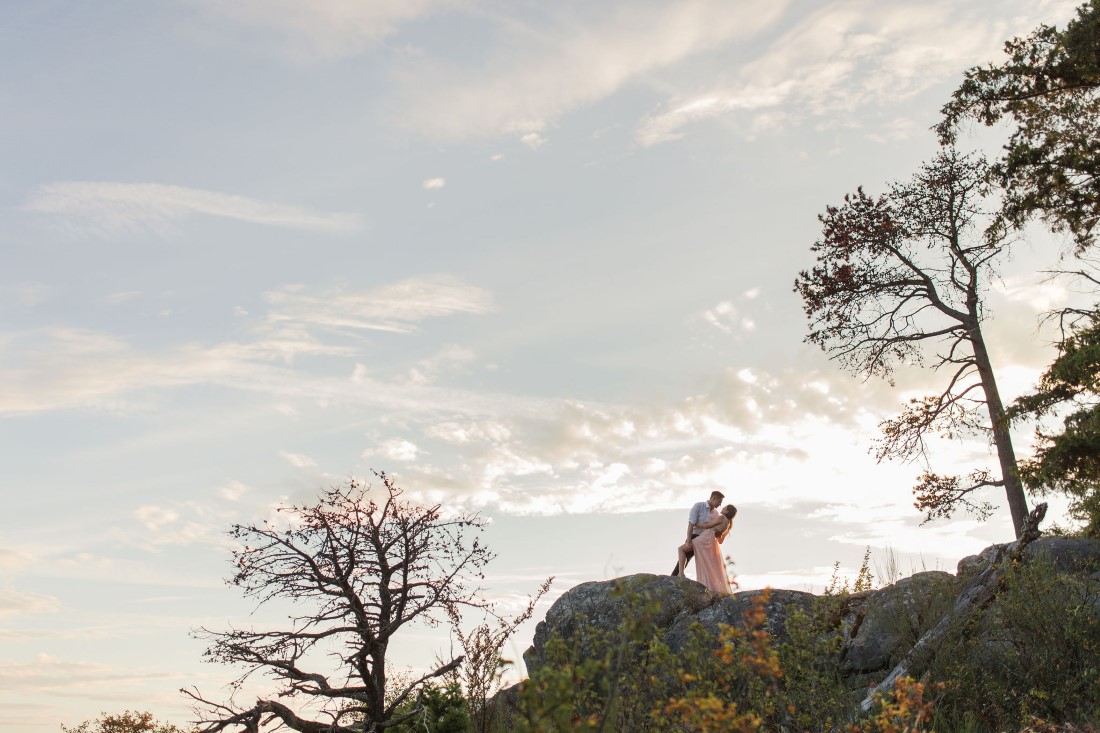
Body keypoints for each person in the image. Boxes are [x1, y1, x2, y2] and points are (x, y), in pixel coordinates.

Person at [672, 490, 724, 576]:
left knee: (706, 563)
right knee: (685, 558)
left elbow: (715, 528)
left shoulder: (716, 514)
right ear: (713, 498)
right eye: (719, 502)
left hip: (705, 540)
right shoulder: (699, 506)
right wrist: (688, 541)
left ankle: (677, 576)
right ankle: (675, 577)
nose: (720, 504)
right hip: (694, 536)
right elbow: (691, 524)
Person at [689, 504, 737, 594]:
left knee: (702, 562)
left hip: (706, 540)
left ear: (727, 511)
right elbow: (720, 541)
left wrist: (695, 524)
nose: (722, 508)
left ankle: (680, 573)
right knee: (710, 566)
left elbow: (707, 525)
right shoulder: (728, 524)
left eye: (724, 508)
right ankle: (712, 588)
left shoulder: (722, 517)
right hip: (713, 544)